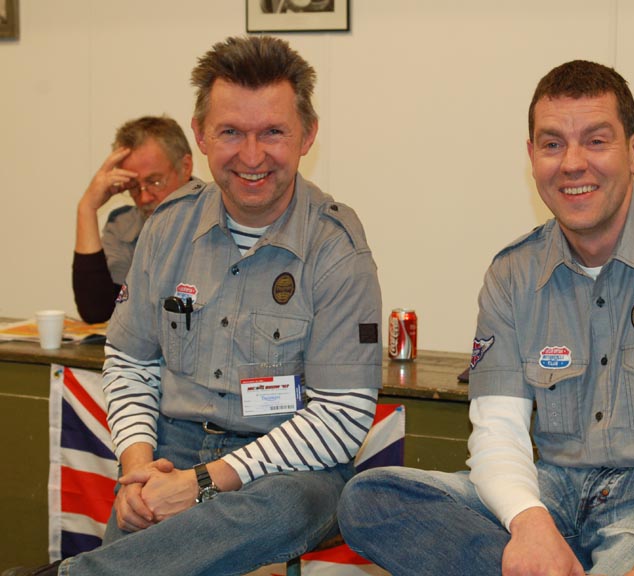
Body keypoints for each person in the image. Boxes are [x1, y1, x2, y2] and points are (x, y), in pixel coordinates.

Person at [337, 60, 634, 576]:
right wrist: (529, 524)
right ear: (531, 156)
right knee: (370, 499)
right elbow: (498, 434)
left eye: (596, 141)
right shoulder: (513, 272)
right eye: (552, 144)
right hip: (556, 492)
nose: (572, 163)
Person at [13, 35, 382, 576]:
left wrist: (204, 483)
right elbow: (130, 362)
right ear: (201, 135)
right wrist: (139, 470)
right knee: (147, 531)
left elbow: (342, 416)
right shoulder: (166, 227)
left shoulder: (337, 247)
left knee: (283, 506)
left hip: (289, 465)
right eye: (231, 132)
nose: (251, 156)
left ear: (307, 135)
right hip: (172, 451)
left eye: (272, 132)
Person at [72, 116, 195, 323]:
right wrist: (87, 208)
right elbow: (97, 312)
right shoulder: (124, 224)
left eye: (154, 181)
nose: (144, 198)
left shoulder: (221, 216)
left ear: (185, 166)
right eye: (134, 186)